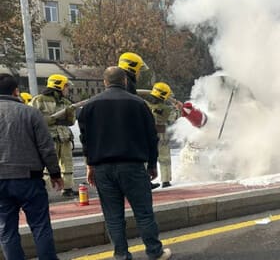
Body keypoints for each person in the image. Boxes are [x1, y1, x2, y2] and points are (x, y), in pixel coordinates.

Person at [78, 67, 171, 260]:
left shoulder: (89, 106)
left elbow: (85, 139)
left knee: (113, 216)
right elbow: (151, 137)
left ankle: (121, 255)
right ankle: (154, 252)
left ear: (104, 82)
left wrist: (89, 165)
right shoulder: (138, 103)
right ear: (125, 81)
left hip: (102, 169)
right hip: (133, 167)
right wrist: (152, 164)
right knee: (143, 213)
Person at [0, 73, 64, 260]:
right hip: (29, 179)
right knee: (40, 227)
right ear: (16, 91)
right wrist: (55, 173)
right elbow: (46, 147)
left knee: (7, 230)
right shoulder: (30, 113)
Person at [30, 74, 77, 197]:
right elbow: (31, 117)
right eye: (66, 86)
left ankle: (68, 188)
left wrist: (69, 114)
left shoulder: (66, 102)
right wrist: (48, 120)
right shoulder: (39, 100)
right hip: (48, 138)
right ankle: (44, 190)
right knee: (47, 164)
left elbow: (71, 122)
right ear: (59, 85)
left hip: (64, 137)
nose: (67, 89)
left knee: (67, 163)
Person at [118, 52, 160, 189]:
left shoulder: (120, 83)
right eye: (138, 71)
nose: (139, 74)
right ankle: (142, 182)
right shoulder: (127, 86)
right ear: (132, 68)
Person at [141, 82, 181, 188]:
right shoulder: (166, 109)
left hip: (145, 135)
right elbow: (174, 117)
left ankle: (145, 181)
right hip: (161, 135)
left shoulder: (143, 104)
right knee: (165, 159)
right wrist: (178, 108)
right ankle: (166, 180)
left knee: (145, 159)